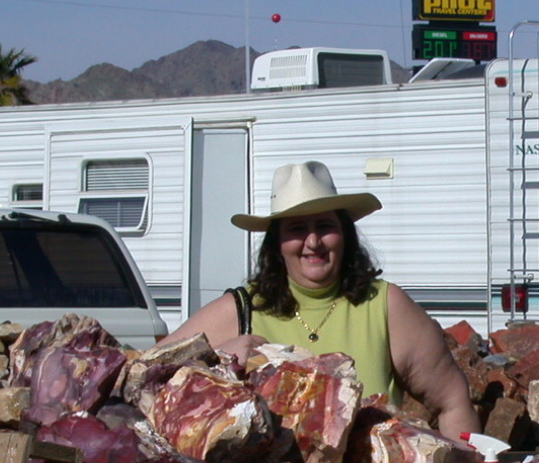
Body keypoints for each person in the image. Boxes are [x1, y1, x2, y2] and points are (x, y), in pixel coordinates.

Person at [161, 160, 480, 439]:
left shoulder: (385, 305)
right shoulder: (240, 310)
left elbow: (452, 401)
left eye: (325, 226)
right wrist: (212, 361)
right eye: (297, 229)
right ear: (277, 242)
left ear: (345, 233)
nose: (312, 242)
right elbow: (145, 373)